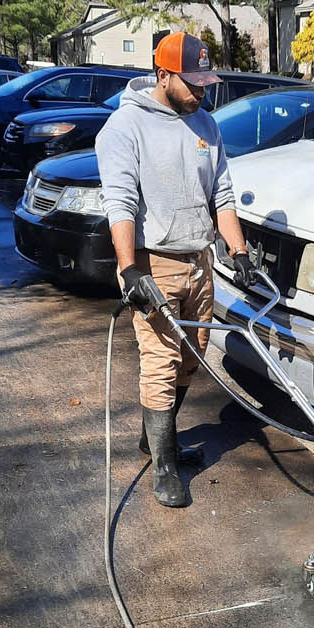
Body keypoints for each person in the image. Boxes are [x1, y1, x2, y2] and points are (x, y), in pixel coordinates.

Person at [96, 32, 258, 508]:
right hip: (156, 264)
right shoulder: (125, 129)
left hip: (200, 261)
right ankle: (164, 466)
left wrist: (240, 251)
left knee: (194, 355)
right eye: (193, 83)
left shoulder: (206, 123)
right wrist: (128, 270)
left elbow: (222, 195)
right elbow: (120, 202)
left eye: (207, 82)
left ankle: (156, 439)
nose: (203, 91)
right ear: (163, 74)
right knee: (162, 361)